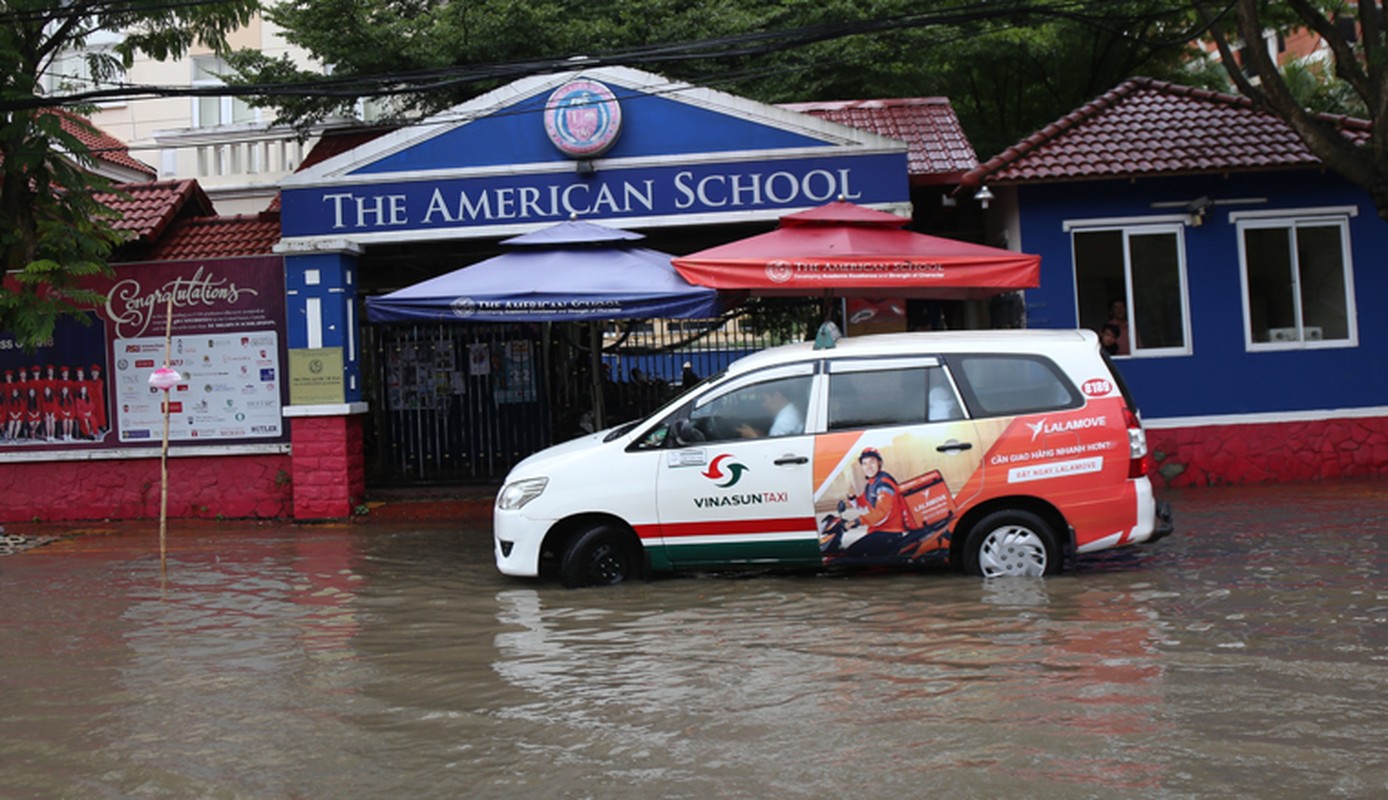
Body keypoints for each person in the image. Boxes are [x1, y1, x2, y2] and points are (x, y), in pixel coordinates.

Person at [847, 448, 906, 536]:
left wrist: (857, 521)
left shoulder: (884, 485)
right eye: (865, 463)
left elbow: (881, 513)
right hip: (877, 530)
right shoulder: (871, 485)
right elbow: (862, 505)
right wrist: (852, 497)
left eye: (872, 462)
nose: (868, 467)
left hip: (890, 531)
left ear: (879, 463)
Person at [737, 385, 802, 438]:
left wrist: (753, 436)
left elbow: (774, 451)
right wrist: (761, 436)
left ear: (777, 396)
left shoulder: (782, 423)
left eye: (764, 399)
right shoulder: (793, 411)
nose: (763, 405)